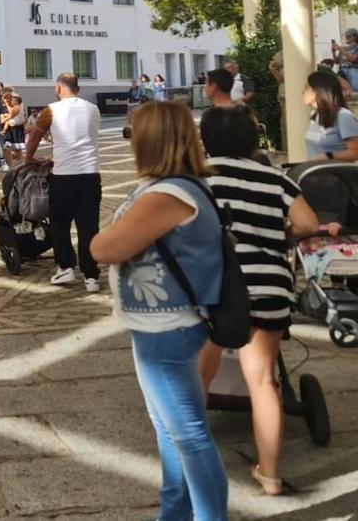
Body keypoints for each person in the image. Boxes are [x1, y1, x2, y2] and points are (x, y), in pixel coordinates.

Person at [89, 101, 228, 521]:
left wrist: (106, 236)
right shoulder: (174, 186)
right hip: (160, 325)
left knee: (188, 434)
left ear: (150, 140)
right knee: (171, 431)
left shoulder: (168, 193)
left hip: (167, 329)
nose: (128, 142)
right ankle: (174, 513)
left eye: (132, 133)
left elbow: (104, 247)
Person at [197, 106, 334, 496]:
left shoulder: (200, 175)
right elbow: (308, 224)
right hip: (270, 283)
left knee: (199, 378)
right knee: (263, 381)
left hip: (219, 287)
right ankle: (270, 475)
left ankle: (189, 462)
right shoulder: (274, 177)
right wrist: (279, 232)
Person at [25, 73, 102, 291]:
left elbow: (34, 138)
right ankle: (91, 277)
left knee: (59, 222)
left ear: (59, 88)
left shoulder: (51, 110)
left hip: (63, 176)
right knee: (89, 226)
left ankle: (65, 267)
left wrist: (29, 159)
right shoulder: (92, 109)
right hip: (90, 174)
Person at [304, 70, 358, 162]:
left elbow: (355, 152)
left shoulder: (343, 116)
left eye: (306, 88)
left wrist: (329, 156)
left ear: (318, 90)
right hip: (315, 173)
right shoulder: (315, 115)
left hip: (336, 174)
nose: (302, 92)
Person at [1, 94, 26, 168]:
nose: (11, 101)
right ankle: (14, 164)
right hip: (12, 129)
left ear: (16, 102)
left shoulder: (16, 108)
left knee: (17, 149)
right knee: (10, 148)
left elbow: (11, 113)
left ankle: (20, 165)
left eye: (13, 100)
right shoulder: (17, 107)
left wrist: (4, 119)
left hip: (16, 129)